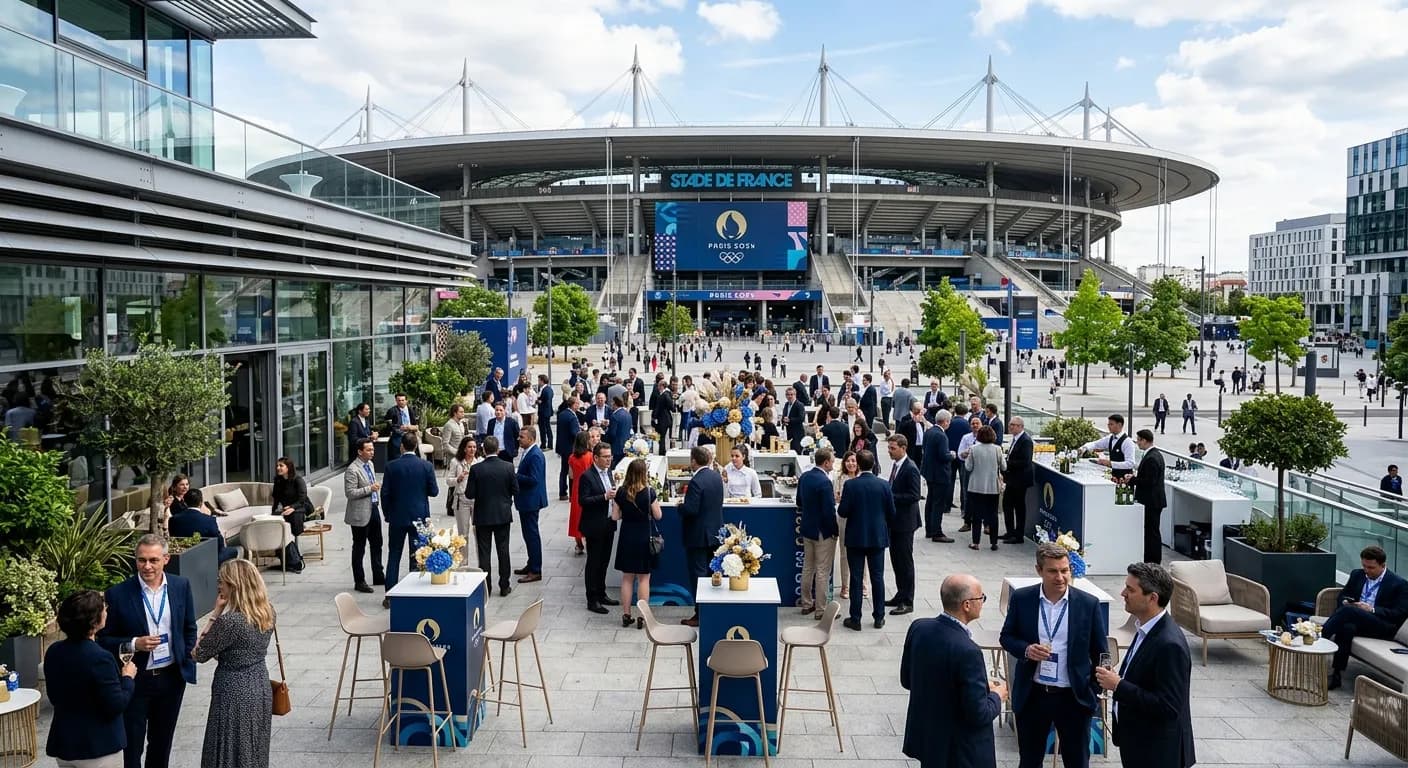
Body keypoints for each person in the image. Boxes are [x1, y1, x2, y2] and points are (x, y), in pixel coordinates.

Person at [1000, 542, 1108, 768]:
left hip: (1073, 697)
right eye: (1052, 571)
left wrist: (1093, 691)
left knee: (1077, 761)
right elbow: (1007, 636)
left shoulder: (1088, 604)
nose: (1060, 577)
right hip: (1034, 695)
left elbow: (1101, 653)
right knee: (1029, 760)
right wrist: (1027, 649)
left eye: (1065, 570)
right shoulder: (1022, 599)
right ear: (1039, 570)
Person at [98, 535, 199, 768]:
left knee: (162, 742)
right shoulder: (118, 593)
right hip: (136, 679)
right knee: (132, 745)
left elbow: (189, 627)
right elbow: (104, 639)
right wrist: (134, 643)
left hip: (171, 677)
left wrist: (184, 655)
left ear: (166, 559)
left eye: (153, 560)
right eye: (141, 560)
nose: (147, 566)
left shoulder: (180, 586)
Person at [900, 574, 1006, 768]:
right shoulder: (968, 651)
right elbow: (979, 714)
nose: (982, 602)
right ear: (966, 605)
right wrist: (996, 696)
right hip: (960, 752)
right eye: (980, 598)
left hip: (929, 741)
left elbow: (908, 680)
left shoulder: (919, 628)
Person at [1095, 563, 1194, 768]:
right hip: (1139, 745)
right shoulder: (1145, 628)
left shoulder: (1169, 644)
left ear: (1153, 598)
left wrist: (1118, 685)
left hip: (1157, 753)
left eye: (1131, 589)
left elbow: (1169, 706)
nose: (1123, 593)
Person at [192, 559, 274, 768]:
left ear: (234, 585)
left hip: (232, 691)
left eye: (222, 581)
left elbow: (199, 653)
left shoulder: (231, 622)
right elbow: (240, 649)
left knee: (227, 747)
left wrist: (215, 614)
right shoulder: (268, 612)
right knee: (253, 746)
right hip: (259, 685)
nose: (218, 586)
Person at [45, 589, 137, 768]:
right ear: (95, 620)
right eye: (104, 608)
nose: (107, 611)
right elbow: (116, 704)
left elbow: (54, 696)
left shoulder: (54, 651)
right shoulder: (100, 658)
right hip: (98, 747)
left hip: (65, 744)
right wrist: (128, 678)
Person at [1322, 545, 1408, 690]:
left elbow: (1399, 613)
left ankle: (1320, 636)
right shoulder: (1357, 574)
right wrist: (1344, 601)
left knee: (1349, 611)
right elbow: (1343, 595)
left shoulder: (1399, 584)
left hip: (1382, 625)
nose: (1367, 570)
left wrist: (1372, 609)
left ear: (1383, 565)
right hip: (1358, 619)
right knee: (1346, 627)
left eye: (1371, 567)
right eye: (1364, 566)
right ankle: (1336, 674)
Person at [380, 433, 439, 607]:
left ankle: (390, 596)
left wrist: (388, 514)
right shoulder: (426, 466)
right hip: (419, 517)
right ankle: (415, 594)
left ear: (401, 447)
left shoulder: (391, 467)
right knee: (418, 556)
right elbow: (434, 491)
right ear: (417, 446)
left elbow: (385, 494)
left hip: (397, 517)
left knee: (394, 555)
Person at [838, 450, 895, 631]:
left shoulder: (851, 485)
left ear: (859, 465)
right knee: (877, 577)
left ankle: (856, 618)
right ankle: (879, 616)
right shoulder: (884, 485)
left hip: (856, 536)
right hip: (877, 536)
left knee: (856, 578)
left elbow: (843, 512)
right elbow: (891, 512)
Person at [465, 435, 518, 597]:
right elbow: (515, 490)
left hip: (483, 515)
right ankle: (504, 585)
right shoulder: (508, 467)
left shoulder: (476, 469)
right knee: (503, 550)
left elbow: (469, 494)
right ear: (498, 449)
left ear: (483, 450)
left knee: (484, 552)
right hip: (502, 514)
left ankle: (486, 586)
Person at [613, 458, 662, 628]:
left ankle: (626, 615)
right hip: (643, 536)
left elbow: (614, 516)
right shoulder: (649, 492)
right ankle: (642, 616)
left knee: (627, 578)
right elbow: (658, 515)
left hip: (627, 536)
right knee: (643, 578)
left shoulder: (621, 492)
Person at [680, 445, 725, 626]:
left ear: (693, 461)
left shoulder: (696, 481)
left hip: (698, 535)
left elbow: (691, 509)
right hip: (714, 534)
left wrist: (680, 507)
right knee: (711, 573)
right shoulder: (716, 476)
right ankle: (712, 610)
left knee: (698, 575)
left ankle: (700, 614)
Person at [577, 441, 619, 614]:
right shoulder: (587, 476)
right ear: (596, 458)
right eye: (605, 457)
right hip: (594, 525)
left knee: (604, 561)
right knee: (594, 563)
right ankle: (592, 598)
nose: (609, 460)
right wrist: (604, 496)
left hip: (608, 523)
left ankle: (602, 593)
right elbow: (583, 500)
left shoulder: (608, 473)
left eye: (610, 456)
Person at [797, 447, 839, 618]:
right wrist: (834, 531)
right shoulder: (825, 482)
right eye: (833, 459)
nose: (834, 462)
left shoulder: (805, 477)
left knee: (808, 567)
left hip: (807, 528)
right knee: (822, 570)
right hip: (823, 531)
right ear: (826, 462)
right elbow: (829, 511)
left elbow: (799, 501)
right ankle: (821, 609)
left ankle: (806, 603)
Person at [886, 435, 923, 616]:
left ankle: (908, 600)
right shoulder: (896, 465)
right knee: (896, 560)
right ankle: (900, 594)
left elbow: (914, 495)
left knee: (905, 562)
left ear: (903, 448)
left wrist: (890, 496)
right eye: (889, 448)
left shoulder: (911, 468)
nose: (889, 451)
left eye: (893, 448)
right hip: (895, 521)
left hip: (905, 522)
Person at [342, 438, 385, 594]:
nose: (372, 452)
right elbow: (350, 493)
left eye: (372, 449)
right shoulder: (352, 469)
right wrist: (369, 489)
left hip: (373, 509)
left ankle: (378, 574)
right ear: (360, 451)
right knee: (359, 547)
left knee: (377, 543)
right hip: (360, 514)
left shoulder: (370, 465)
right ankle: (359, 580)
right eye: (368, 450)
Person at [832, 451, 869, 600]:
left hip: (860, 518)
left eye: (853, 461)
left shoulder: (862, 478)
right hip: (844, 518)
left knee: (863, 551)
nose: (851, 464)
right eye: (848, 461)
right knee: (844, 553)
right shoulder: (840, 478)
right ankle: (845, 585)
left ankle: (863, 584)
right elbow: (835, 496)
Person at [168, 489, 240, 564]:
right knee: (234, 550)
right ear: (201, 503)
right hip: (206, 558)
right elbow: (220, 544)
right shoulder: (209, 520)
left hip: (183, 558)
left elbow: (174, 541)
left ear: (185, 503)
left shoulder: (173, 519)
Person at [513, 426, 547, 583]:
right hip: (527, 499)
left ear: (531, 439)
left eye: (522, 437)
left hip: (531, 500)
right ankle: (531, 562)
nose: (519, 439)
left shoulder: (535, 455)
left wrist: (515, 476)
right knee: (528, 534)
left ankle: (535, 569)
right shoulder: (528, 452)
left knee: (532, 534)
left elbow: (534, 479)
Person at [963, 425, 1005, 551]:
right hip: (992, 487)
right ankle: (993, 542)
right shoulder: (998, 449)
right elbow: (1004, 467)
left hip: (976, 486)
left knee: (976, 515)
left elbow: (968, 467)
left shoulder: (974, 449)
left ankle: (976, 542)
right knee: (993, 515)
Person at [1130, 430, 1167, 564]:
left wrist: (1133, 480)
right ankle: (1151, 559)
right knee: (1152, 531)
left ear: (1145, 440)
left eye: (1139, 440)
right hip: (1154, 500)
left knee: (1152, 532)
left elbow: (1149, 481)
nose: (1138, 443)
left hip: (1152, 501)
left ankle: (1153, 560)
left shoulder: (1152, 458)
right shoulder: (1155, 455)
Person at [270, 457, 308, 573]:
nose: (278, 468)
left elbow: (302, 499)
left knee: (292, 518)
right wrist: (273, 512)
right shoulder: (278, 480)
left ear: (288, 467)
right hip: (286, 507)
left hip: (300, 507)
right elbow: (276, 498)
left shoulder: (298, 479)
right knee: (276, 522)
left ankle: (294, 560)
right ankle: (287, 559)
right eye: (277, 466)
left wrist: (292, 507)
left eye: (281, 466)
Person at [921, 410, 953, 543]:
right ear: (945, 421)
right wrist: (952, 455)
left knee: (930, 501)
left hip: (929, 472)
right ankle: (937, 532)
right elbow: (943, 456)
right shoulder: (941, 436)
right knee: (938, 503)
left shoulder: (929, 432)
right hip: (940, 474)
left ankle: (929, 529)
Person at [1001, 417, 1035, 543]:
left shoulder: (1026, 440)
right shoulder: (1016, 439)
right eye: (1010, 425)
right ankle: (1010, 532)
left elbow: (1025, 461)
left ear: (1021, 426)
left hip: (1020, 479)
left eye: (1013, 425)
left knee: (1019, 507)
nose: (1011, 427)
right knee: (1007, 505)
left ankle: (1018, 534)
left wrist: (1007, 463)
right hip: (1012, 478)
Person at [447, 436, 480, 563]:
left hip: (477, 500)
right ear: (464, 449)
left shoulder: (479, 461)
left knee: (478, 532)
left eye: (474, 447)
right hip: (461, 499)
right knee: (463, 533)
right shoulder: (456, 462)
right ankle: (463, 563)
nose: (472, 449)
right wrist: (458, 479)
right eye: (469, 447)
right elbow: (448, 481)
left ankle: (481, 562)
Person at [1080, 414, 1136, 481]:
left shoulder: (1128, 442)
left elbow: (1130, 463)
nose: (1109, 426)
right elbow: (1096, 444)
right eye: (1108, 424)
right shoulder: (1110, 438)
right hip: (1114, 478)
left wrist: (1110, 463)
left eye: (1111, 424)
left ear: (1119, 425)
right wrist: (1083, 448)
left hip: (1125, 479)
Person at [567, 429, 596, 555]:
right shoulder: (590, 456)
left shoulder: (572, 457)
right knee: (588, 515)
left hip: (576, 489)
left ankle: (578, 544)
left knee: (576, 516)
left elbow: (571, 475)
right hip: (588, 488)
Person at [555, 394, 581, 500]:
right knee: (571, 471)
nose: (579, 406)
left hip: (562, 446)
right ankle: (571, 494)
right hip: (570, 447)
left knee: (563, 470)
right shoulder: (572, 416)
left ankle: (562, 492)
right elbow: (574, 433)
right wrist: (581, 431)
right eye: (577, 403)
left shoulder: (562, 414)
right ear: (573, 405)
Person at [384, 393, 419, 461]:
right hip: (397, 438)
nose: (401, 402)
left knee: (412, 458)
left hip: (410, 436)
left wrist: (409, 427)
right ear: (396, 401)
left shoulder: (411, 410)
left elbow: (416, 425)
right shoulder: (392, 411)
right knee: (397, 458)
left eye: (403, 400)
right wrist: (400, 429)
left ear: (406, 401)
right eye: (399, 400)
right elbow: (389, 426)